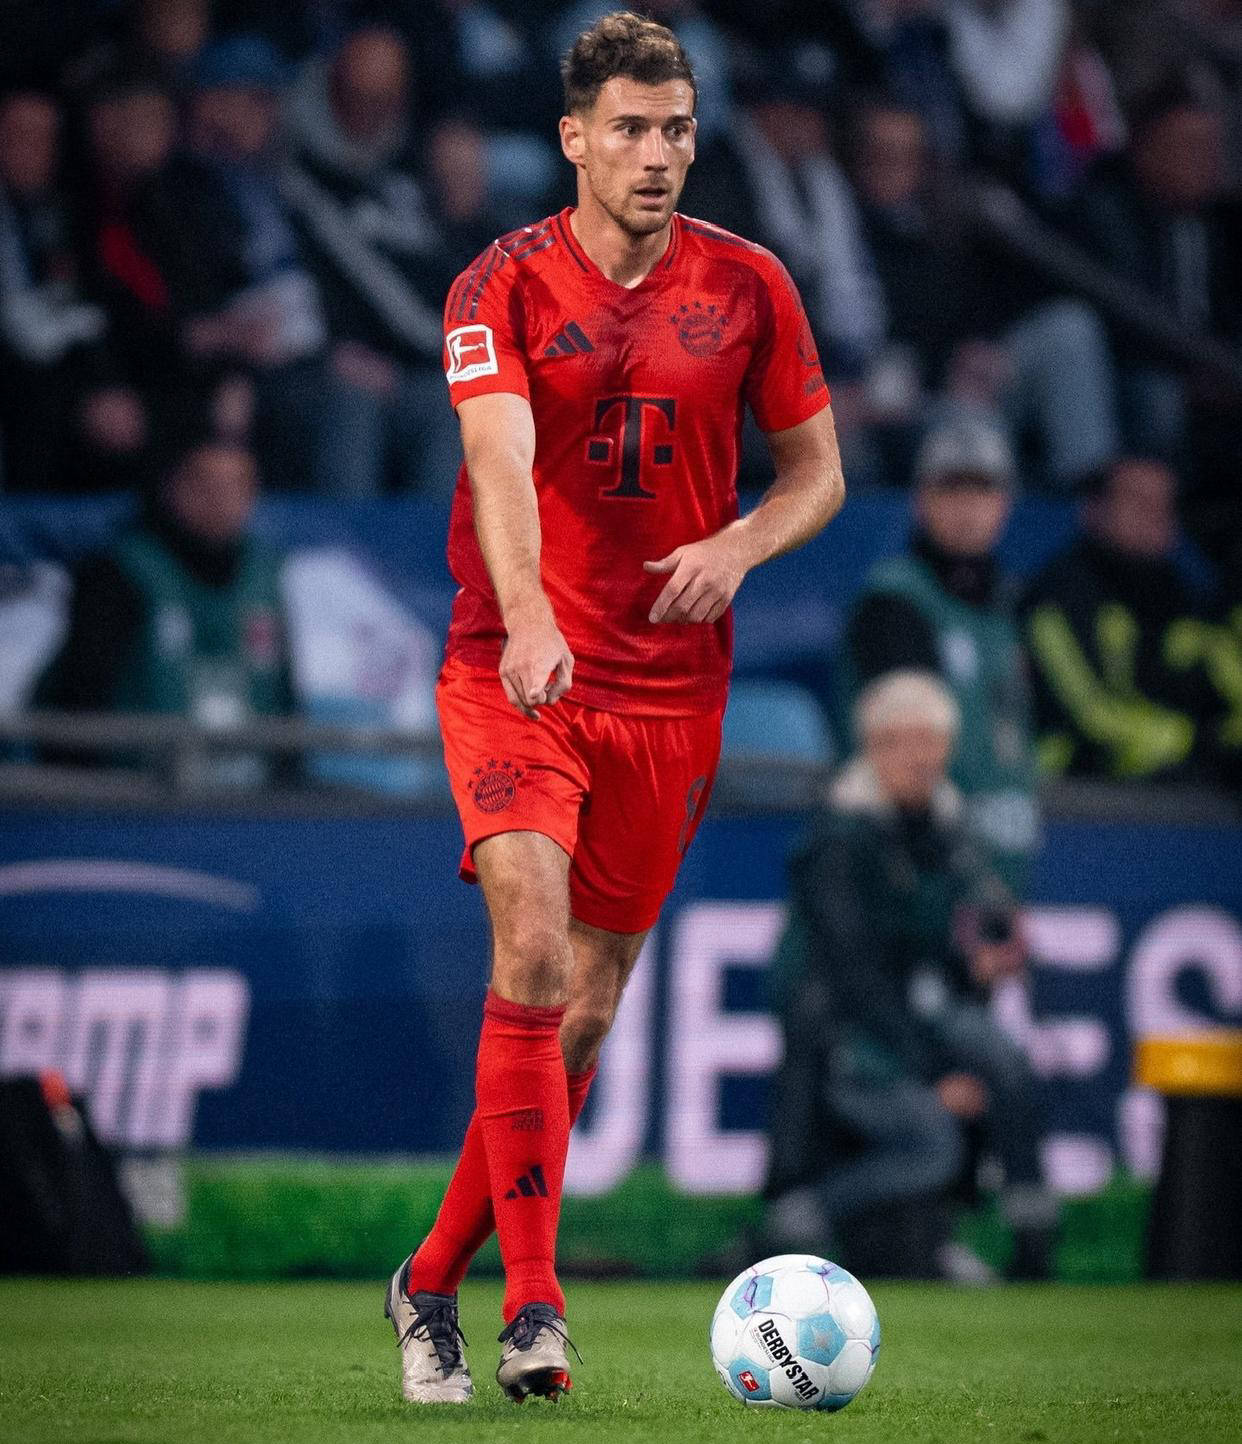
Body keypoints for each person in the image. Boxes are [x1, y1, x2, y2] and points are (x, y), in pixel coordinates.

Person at [384, 10, 844, 1407]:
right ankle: (534, 1307)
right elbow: (496, 456)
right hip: (516, 668)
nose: (657, 154)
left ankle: (428, 1276)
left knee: (579, 1015)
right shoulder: (499, 283)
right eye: (630, 130)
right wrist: (529, 614)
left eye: (676, 129)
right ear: (574, 140)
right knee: (528, 947)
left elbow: (816, 472)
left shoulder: (751, 285)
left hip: (670, 694)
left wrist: (740, 544)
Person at [764, 669, 1056, 1282]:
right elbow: (854, 972)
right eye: (909, 741)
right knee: (932, 1139)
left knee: (1005, 1061)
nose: (925, 758)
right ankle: (796, 1222)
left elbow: (933, 948)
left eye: (936, 741)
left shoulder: (949, 831)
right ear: (875, 746)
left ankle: (1033, 1243)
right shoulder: (840, 838)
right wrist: (934, 1074)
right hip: (845, 1031)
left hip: (913, 1014)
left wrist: (976, 964)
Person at [841, 415, 1038, 891]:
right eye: (951, 490)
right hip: (911, 864)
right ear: (921, 500)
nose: (967, 508)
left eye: (982, 491)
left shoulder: (1016, 608)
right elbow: (905, 751)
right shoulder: (893, 602)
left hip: (1007, 859)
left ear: (1005, 504)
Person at [34, 431, 295, 785]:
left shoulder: (267, 576)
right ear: (173, 486)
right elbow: (78, 701)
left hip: (249, 798)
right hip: (134, 797)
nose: (221, 500)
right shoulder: (117, 575)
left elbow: (286, 700)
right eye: (206, 484)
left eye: (237, 487)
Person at [1022, 456, 1242, 787]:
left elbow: (1224, 687)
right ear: (1093, 510)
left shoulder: (1187, 596)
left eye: (1165, 504)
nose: (1154, 514)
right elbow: (1091, 713)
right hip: (1075, 792)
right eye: (1137, 500)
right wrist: (1195, 740)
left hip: (1179, 788)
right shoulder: (1058, 595)